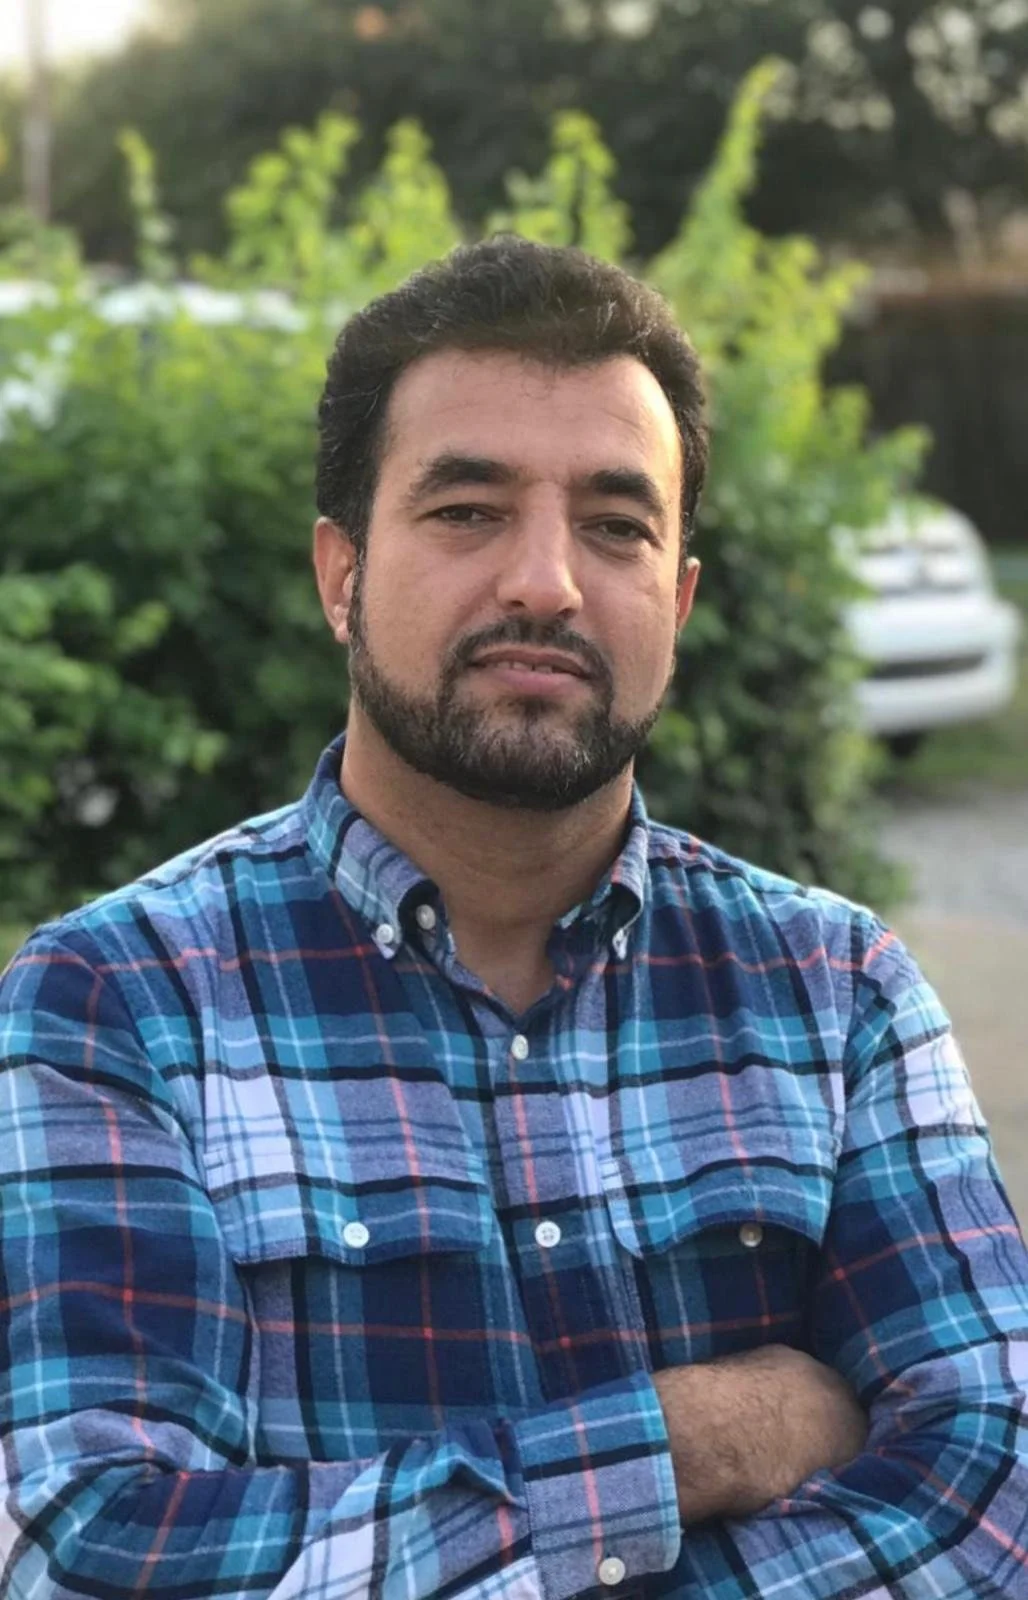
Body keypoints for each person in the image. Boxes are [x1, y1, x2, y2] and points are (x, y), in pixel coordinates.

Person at [1, 236, 1026, 1600]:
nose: (546, 580)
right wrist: (695, 1437)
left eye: (617, 524)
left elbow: (997, 1487)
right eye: (468, 510)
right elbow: (93, 1552)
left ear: (678, 597)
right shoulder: (117, 1004)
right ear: (339, 573)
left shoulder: (836, 992)